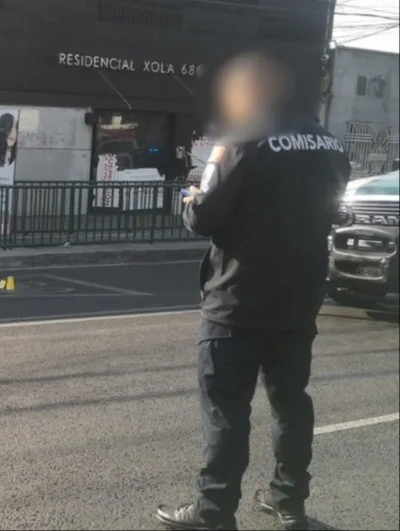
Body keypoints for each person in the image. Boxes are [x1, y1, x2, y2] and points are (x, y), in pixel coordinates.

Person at [155, 51, 351, 531]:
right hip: (299, 300)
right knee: (291, 403)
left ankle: (214, 511)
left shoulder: (242, 139)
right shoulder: (328, 145)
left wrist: (191, 198)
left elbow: (203, 217)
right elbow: (331, 209)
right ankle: (289, 503)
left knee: (226, 409)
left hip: (237, 301)